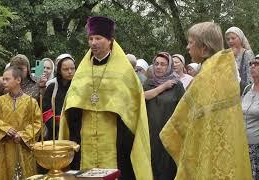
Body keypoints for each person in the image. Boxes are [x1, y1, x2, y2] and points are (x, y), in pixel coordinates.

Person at [59, 16, 152, 180]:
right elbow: (72, 104)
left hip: (114, 139)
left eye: (98, 38)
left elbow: (132, 109)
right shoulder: (82, 71)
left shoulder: (124, 71)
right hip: (85, 136)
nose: (93, 42)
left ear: (110, 40)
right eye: (90, 38)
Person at [160, 22, 252, 179]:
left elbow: (179, 123)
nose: (187, 47)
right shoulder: (226, 71)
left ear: (204, 49)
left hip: (209, 152)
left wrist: (168, 131)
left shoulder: (206, 76)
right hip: (230, 150)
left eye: (190, 42)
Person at [0, 66, 41, 180]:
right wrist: (5, 129)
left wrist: (23, 135)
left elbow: (37, 122)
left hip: (23, 147)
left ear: (18, 80)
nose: (4, 82)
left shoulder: (31, 102)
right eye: (3, 79)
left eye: (7, 79)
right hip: (5, 146)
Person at [145, 52, 184, 180]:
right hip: (150, 136)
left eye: (163, 64)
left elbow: (183, 109)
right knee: (152, 170)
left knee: (168, 171)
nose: (159, 67)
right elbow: (141, 97)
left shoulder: (176, 86)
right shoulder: (148, 84)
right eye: (156, 64)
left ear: (169, 67)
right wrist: (163, 87)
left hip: (169, 136)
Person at [42, 54, 75, 140]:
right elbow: (45, 109)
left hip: (73, 130)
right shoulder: (52, 86)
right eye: (66, 69)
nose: (70, 71)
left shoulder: (77, 86)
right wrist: (55, 125)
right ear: (59, 70)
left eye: (72, 68)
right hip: (53, 132)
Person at [242, 56, 259, 180]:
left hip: (256, 146)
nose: (252, 66)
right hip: (242, 144)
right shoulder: (247, 88)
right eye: (251, 64)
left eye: (257, 64)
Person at [225, 26, 255, 92]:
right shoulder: (226, 55)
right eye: (228, 39)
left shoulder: (247, 54)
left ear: (240, 39)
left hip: (245, 94)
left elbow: (251, 79)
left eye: (233, 38)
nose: (230, 41)